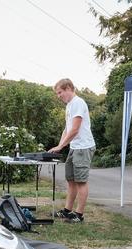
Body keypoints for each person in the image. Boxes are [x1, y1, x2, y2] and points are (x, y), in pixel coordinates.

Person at [48, 78, 95, 223]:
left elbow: (75, 129)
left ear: (68, 88)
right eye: (57, 93)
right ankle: (67, 211)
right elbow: (67, 129)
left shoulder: (78, 103)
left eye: (60, 92)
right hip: (74, 147)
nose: (59, 96)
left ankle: (79, 215)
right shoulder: (69, 105)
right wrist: (59, 145)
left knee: (81, 181)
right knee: (71, 180)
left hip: (83, 147)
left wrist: (61, 146)